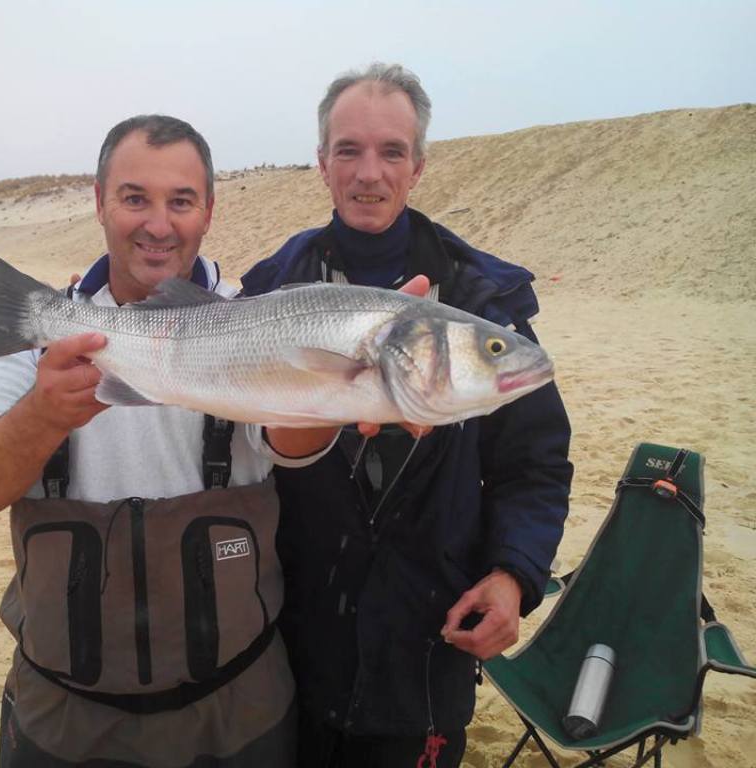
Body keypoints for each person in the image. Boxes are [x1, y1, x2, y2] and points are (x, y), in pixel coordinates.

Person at [0, 114, 339, 767]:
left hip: (239, 713)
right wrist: (42, 415)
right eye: (134, 198)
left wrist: (351, 387)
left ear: (209, 211)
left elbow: (290, 444)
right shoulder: (37, 330)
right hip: (64, 719)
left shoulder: (255, 317)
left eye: (181, 201)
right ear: (99, 201)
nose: (158, 224)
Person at [240, 63, 574, 767]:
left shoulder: (483, 304)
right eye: (349, 150)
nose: (370, 173)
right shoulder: (268, 291)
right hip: (289, 650)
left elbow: (535, 462)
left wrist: (515, 574)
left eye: (392, 151)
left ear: (418, 166)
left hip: (426, 651)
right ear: (322, 163)